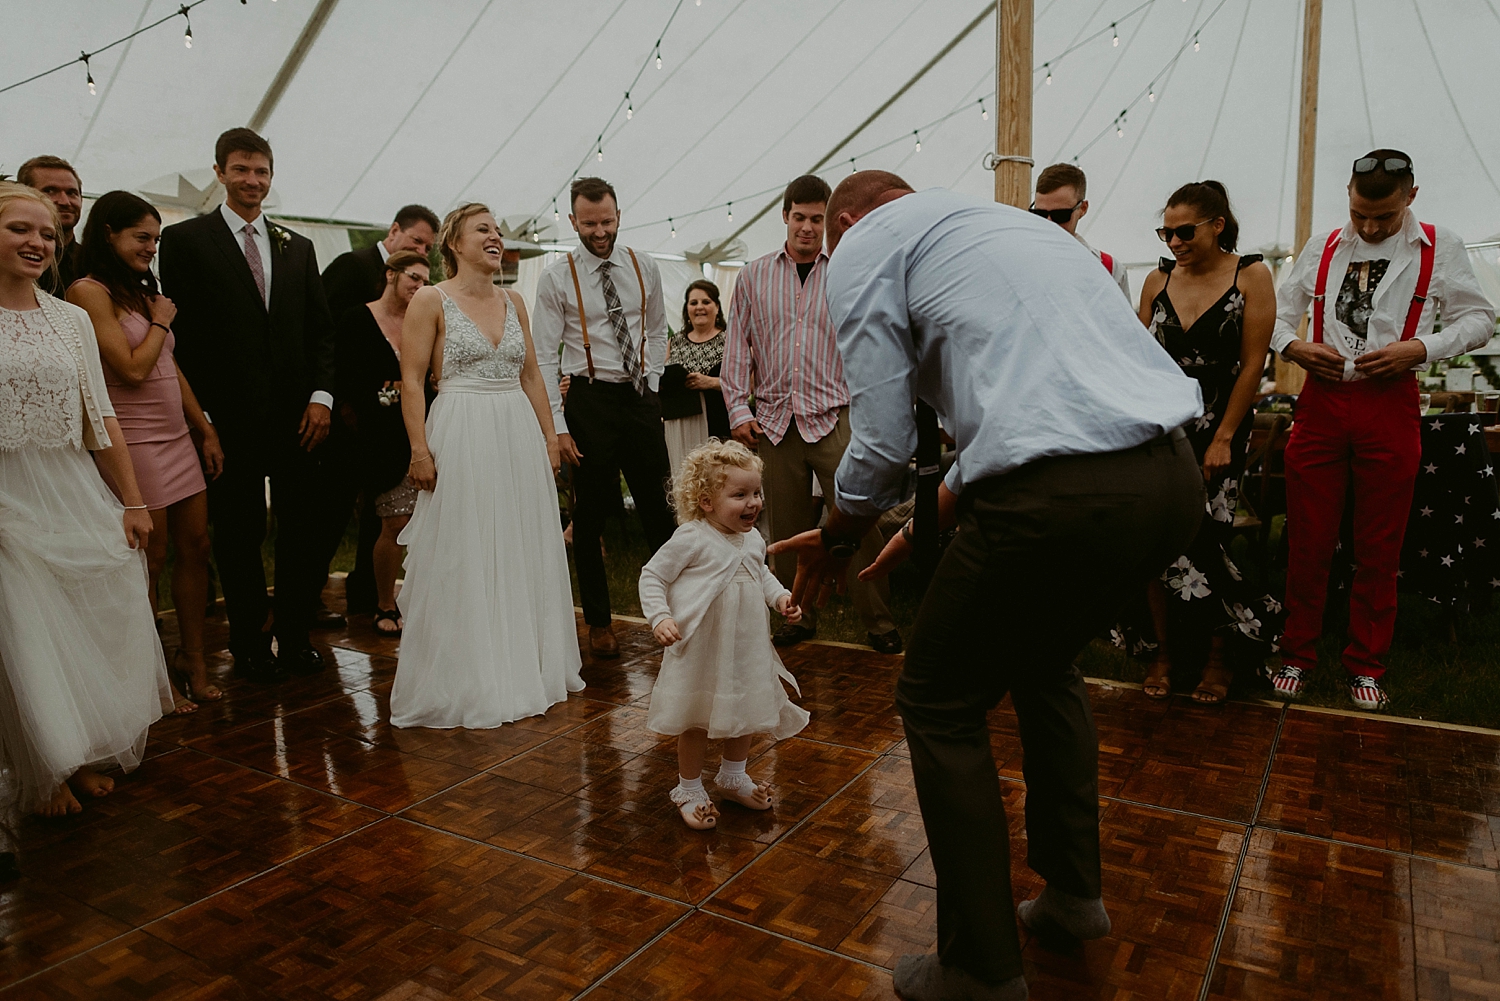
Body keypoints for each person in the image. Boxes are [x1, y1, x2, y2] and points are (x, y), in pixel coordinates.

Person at [770, 172, 1204, 1001]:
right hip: (1166, 482)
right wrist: (905, 531)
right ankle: (1075, 897)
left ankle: (978, 966)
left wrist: (838, 529)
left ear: (850, 220)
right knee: (1043, 663)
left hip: (1058, 498)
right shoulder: (1013, 230)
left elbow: (888, 434)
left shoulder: (863, 244)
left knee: (936, 699)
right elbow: (1033, 408)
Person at [1271, 150, 1495, 710]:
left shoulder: (1440, 245)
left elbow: (1480, 317)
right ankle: (1297, 651)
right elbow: (1274, 315)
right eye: (1359, 214)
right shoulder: (1323, 245)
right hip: (1321, 401)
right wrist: (1294, 346)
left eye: (1383, 218)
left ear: (1410, 198)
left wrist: (1423, 348)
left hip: (1390, 403)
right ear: (1348, 194)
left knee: (1380, 545)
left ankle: (1366, 662)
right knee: (1309, 537)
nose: (1369, 227)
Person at [0, 182, 173, 820]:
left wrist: (132, 501)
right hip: (6, 492)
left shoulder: (70, 319)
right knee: (22, 629)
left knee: (87, 613)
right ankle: (42, 771)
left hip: (70, 485)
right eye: (20, 229)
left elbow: (100, 417)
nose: (37, 243)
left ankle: (74, 753)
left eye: (46, 233)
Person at [390, 203, 583, 728]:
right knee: (466, 546)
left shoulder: (514, 300)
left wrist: (549, 436)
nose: (496, 237)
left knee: (520, 542)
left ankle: (524, 667)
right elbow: (411, 380)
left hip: (516, 432)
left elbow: (532, 376)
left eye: (498, 230)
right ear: (453, 243)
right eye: (484, 230)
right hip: (461, 428)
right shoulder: (430, 299)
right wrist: (420, 451)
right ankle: (470, 673)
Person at [159, 128, 336, 684]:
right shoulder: (186, 241)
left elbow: (321, 333)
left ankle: (294, 633)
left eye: (261, 171)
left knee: (303, 528)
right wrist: (202, 417)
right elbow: (181, 338)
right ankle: (248, 640)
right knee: (238, 532)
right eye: (241, 170)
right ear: (219, 173)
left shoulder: (297, 246)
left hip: (297, 419)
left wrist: (322, 398)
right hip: (226, 420)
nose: (252, 181)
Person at [722, 174, 901, 654]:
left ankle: (879, 622)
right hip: (776, 423)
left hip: (833, 418)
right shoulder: (753, 276)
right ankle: (797, 617)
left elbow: (867, 341)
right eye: (798, 217)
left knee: (858, 519)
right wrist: (739, 408)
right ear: (784, 217)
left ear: (828, 221)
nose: (806, 227)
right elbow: (738, 347)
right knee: (785, 529)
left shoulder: (847, 269)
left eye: (816, 219)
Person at [1121, 181, 1282, 704]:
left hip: (1220, 424)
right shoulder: (1156, 280)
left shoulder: (1252, 275)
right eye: (1165, 231)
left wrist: (1226, 436)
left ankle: (1220, 658)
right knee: (1152, 541)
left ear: (1217, 224)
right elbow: (1137, 357)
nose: (1173, 241)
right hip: (1158, 429)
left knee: (1208, 539)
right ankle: (1164, 654)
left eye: (1184, 231)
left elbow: (1254, 363)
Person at [67, 190, 226, 704]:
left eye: (156, 239)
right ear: (108, 233)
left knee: (197, 547)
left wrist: (202, 424)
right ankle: (150, 677)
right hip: (133, 439)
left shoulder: (140, 292)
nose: (151, 248)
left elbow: (166, 367)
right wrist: (160, 321)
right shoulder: (87, 291)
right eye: (142, 237)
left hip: (176, 436)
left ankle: (193, 658)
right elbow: (132, 369)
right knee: (149, 558)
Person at [532, 176, 676, 659]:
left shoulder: (644, 266)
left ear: (619, 216)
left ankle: (672, 612)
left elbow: (657, 331)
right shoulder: (556, 278)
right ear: (573, 221)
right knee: (589, 518)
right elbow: (544, 358)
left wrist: (652, 385)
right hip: (589, 402)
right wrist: (559, 425)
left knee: (661, 510)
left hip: (637, 398)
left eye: (607, 221)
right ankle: (598, 621)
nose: (600, 231)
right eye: (589, 223)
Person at [639, 439, 808, 830]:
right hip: (702, 647)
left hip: (745, 645)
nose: (753, 503)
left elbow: (760, 573)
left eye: (756, 493)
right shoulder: (692, 538)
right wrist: (660, 616)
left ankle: (733, 776)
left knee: (744, 711)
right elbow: (653, 575)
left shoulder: (753, 539)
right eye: (739, 495)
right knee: (697, 719)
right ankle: (689, 787)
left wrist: (780, 598)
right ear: (706, 502)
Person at [319, 204, 440, 620]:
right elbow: (326, 339)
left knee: (392, 518)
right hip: (351, 424)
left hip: (401, 432)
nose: (421, 252)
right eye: (416, 242)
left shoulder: (420, 317)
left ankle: (375, 596)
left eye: (428, 250)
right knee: (339, 515)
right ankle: (317, 595)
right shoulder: (352, 270)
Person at [335, 250, 430, 636]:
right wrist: (390, 392)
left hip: (423, 431)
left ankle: (424, 599)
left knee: (427, 525)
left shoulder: (423, 319)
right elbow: (351, 382)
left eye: (426, 282)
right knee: (395, 521)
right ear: (390, 274)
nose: (419, 287)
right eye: (413, 278)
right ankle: (384, 602)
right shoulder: (358, 319)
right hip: (378, 438)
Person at [660, 279, 731, 476]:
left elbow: (748, 386)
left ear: (716, 307)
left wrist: (712, 383)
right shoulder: (674, 342)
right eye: (694, 303)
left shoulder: (730, 340)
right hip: (679, 425)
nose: (699, 307)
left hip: (717, 424)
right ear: (687, 309)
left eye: (706, 302)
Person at [1030, 163, 1130, 301]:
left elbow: (1121, 322)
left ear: (1083, 208)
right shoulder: (1016, 260)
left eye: (1061, 215)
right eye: (1039, 214)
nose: (1049, 222)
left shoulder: (1110, 269)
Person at [17, 156, 84, 297]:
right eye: (50, 191)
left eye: (72, 193)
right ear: (24, 196)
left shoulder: (94, 263)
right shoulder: (11, 260)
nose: (65, 201)